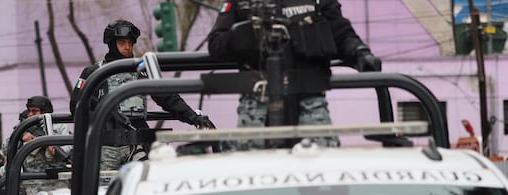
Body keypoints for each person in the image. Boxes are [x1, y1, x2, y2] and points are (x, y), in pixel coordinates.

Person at [207, 0, 381, 149]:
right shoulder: (242, 3)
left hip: (310, 101)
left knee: (320, 165)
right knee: (252, 169)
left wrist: (360, 53)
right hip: (257, 104)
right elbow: (216, 45)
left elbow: (341, 34)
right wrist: (250, 33)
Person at [70, 19, 212, 170]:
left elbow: (167, 96)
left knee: (146, 177)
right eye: (122, 43)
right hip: (106, 142)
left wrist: (193, 117)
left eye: (130, 43)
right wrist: (103, 114)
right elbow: (76, 106)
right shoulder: (94, 73)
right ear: (112, 44)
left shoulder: (141, 70)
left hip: (137, 140)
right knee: (102, 182)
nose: (127, 47)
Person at [21, 95, 71, 173]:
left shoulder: (59, 126)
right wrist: (21, 139)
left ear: (44, 111)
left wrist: (56, 150)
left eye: (34, 111)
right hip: (31, 173)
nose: (30, 114)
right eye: (29, 111)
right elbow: (7, 147)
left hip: (54, 171)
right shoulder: (25, 126)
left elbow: (69, 145)